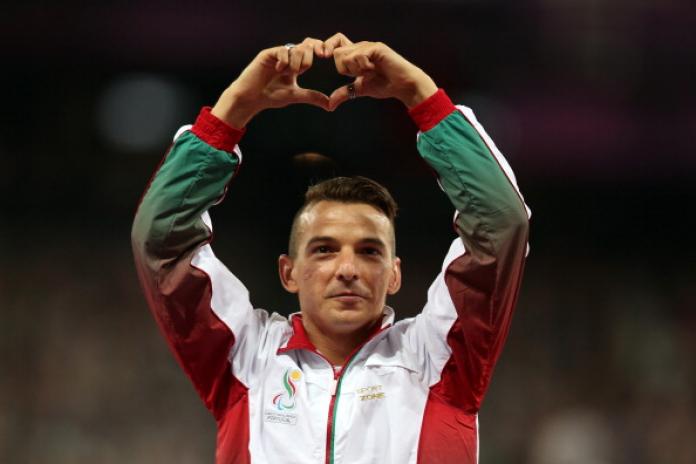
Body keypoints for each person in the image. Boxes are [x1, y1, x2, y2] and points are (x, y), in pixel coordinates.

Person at [132, 32, 530, 464]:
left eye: (369, 251)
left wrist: (421, 95)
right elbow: (161, 238)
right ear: (288, 272)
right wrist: (232, 110)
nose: (347, 268)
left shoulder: (440, 357)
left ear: (395, 274)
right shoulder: (246, 357)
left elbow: (501, 224)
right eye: (324, 250)